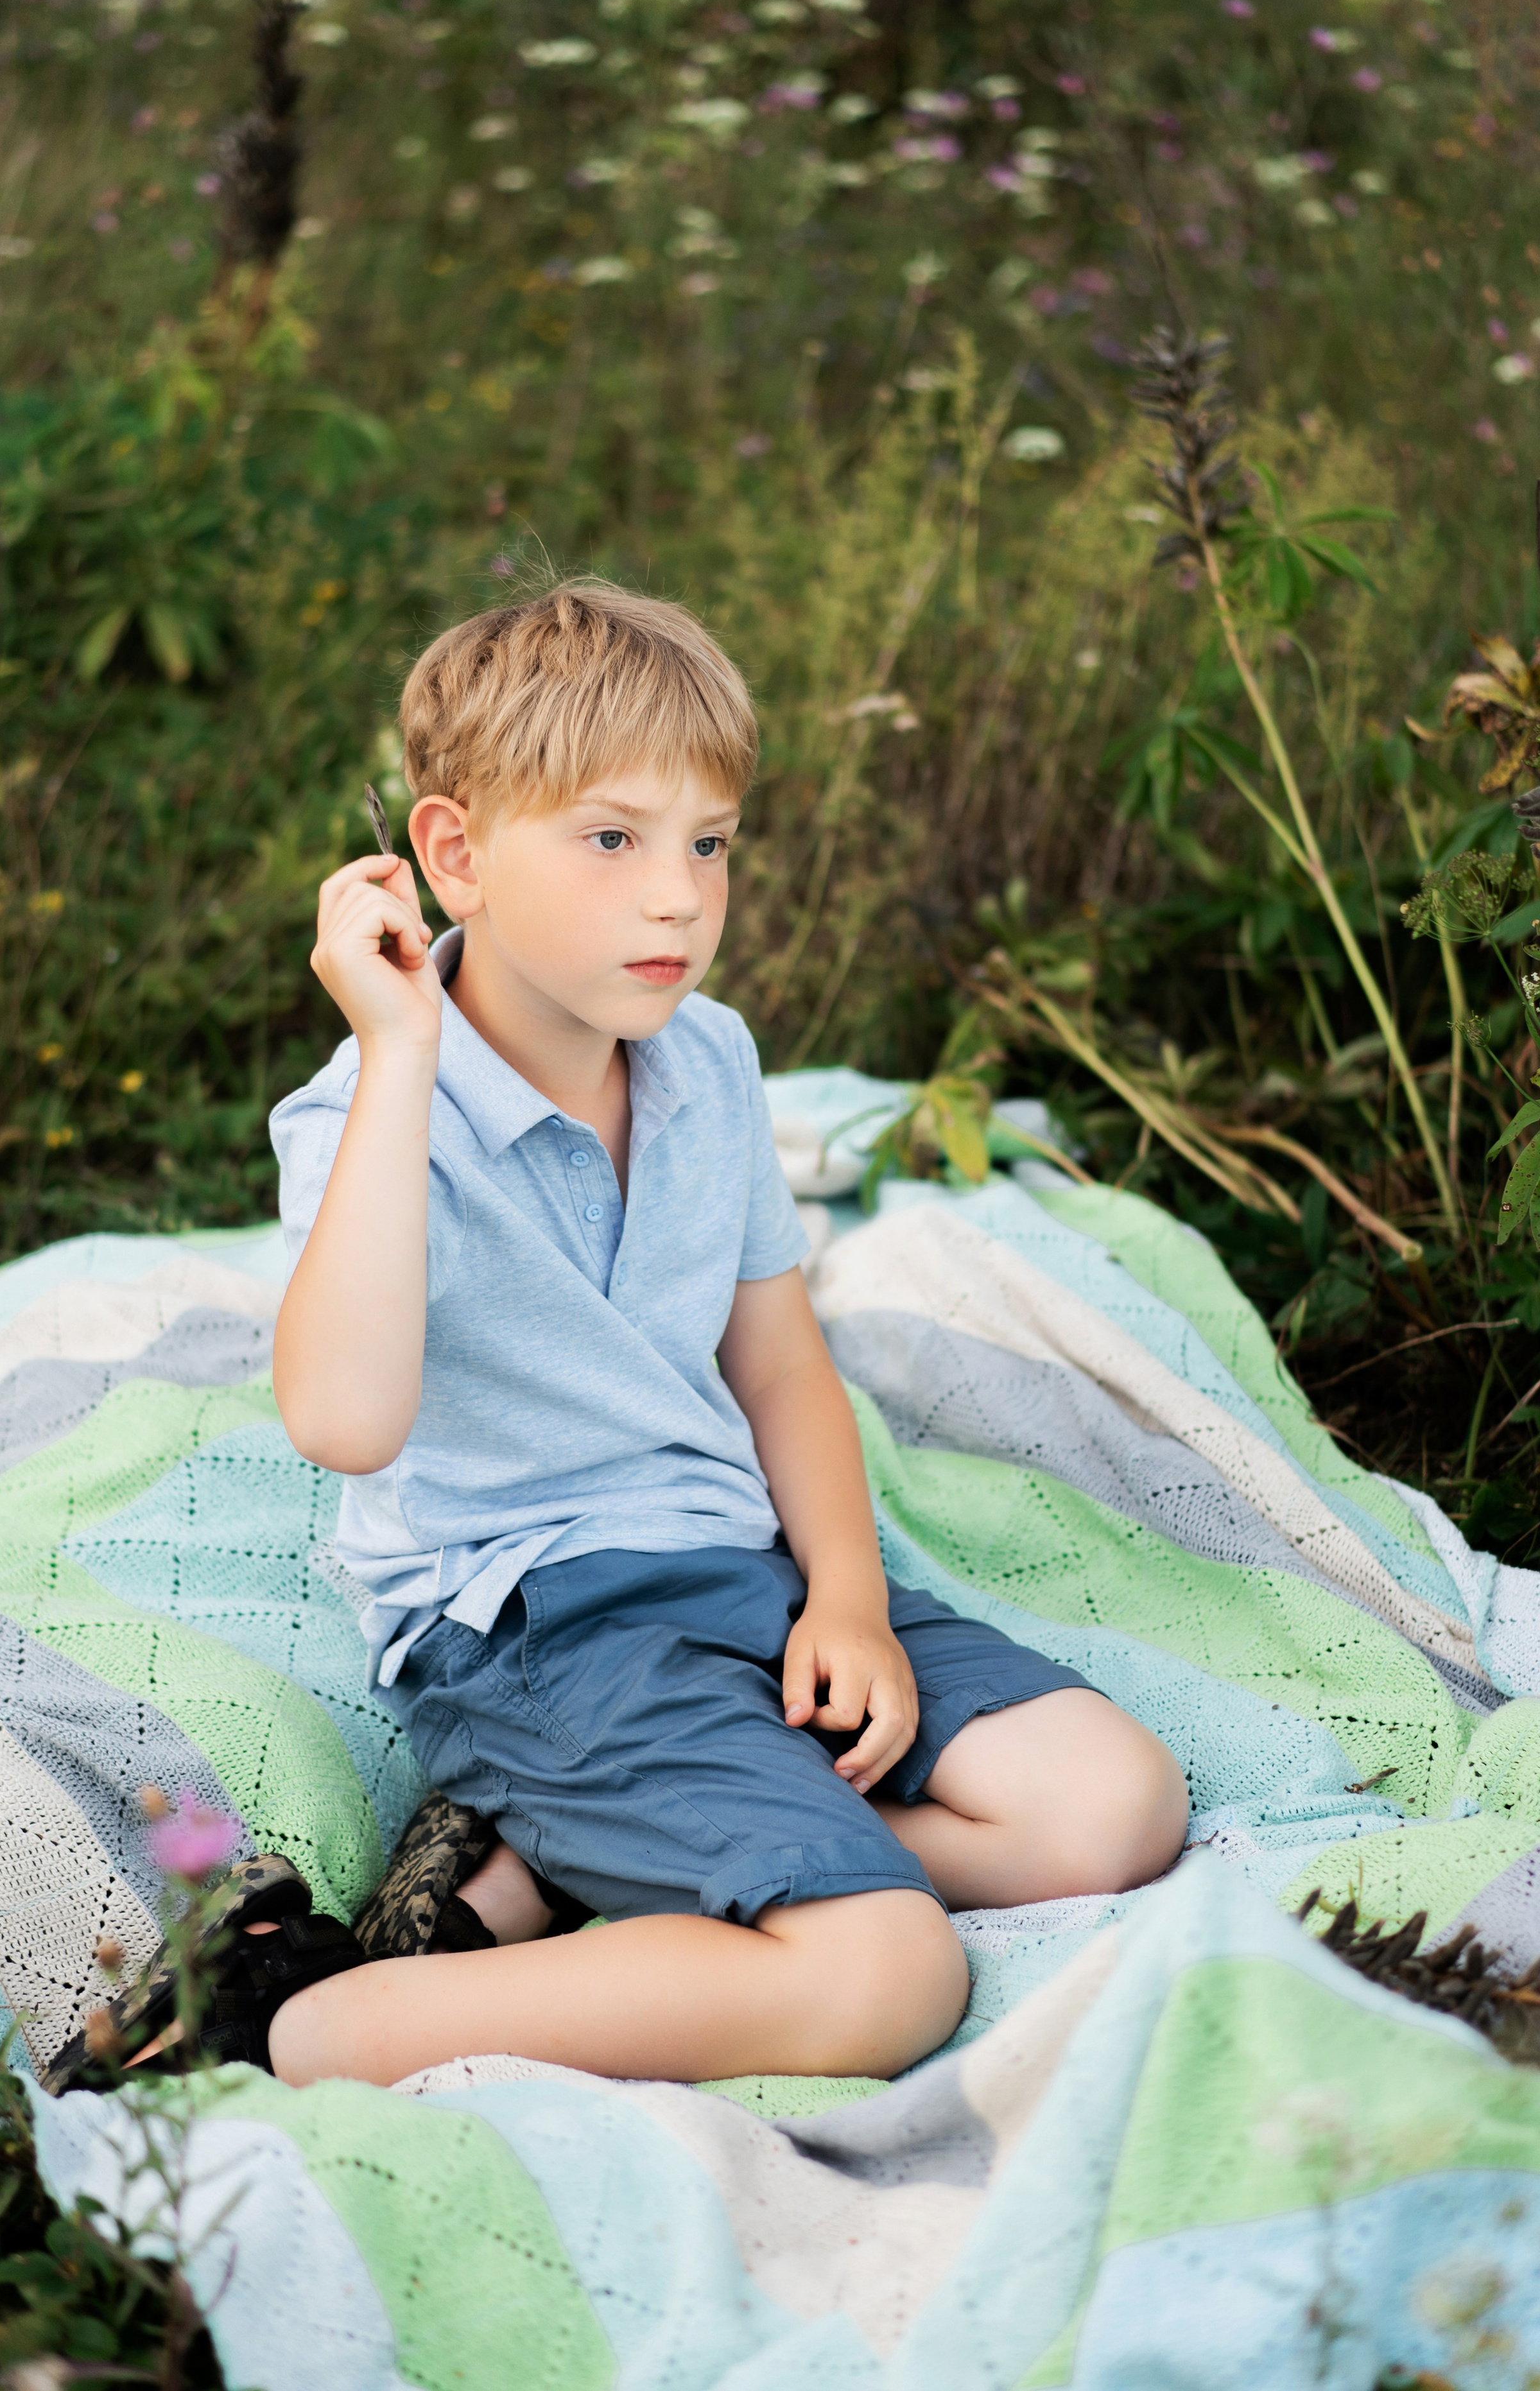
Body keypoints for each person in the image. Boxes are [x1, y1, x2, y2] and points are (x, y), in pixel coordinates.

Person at [70, 583, 1188, 2098]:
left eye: (708, 843)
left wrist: (848, 1599)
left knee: (1111, 1807)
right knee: (887, 1967)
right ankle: (293, 2009)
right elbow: (342, 1420)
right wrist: (400, 1056)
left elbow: (778, 1358)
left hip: (736, 1574)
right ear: (453, 853)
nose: (678, 897)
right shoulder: (369, 1113)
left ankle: (567, 1867)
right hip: (539, 1629)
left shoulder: (703, 1060)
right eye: (612, 840)